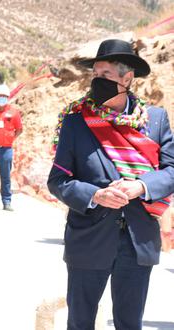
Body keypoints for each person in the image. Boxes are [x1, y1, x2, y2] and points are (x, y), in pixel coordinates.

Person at [47, 39, 174, 329]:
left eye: (105, 75)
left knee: (129, 323)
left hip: (137, 239)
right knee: (80, 322)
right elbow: (58, 181)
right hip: (89, 239)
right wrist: (96, 195)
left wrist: (141, 187)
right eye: (95, 75)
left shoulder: (154, 119)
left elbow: (171, 169)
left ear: (126, 79)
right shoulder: (77, 121)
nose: (97, 81)